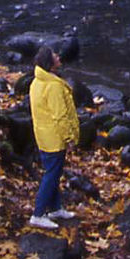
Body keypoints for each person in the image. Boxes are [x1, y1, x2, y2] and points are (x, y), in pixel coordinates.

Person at [28, 45, 80, 229]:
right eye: (54, 55)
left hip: (43, 135)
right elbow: (61, 116)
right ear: (49, 63)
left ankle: (55, 208)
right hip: (54, 138)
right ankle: (38, 213)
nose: (58, 56)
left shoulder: (37, 82)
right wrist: (70, 138)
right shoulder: (53, 87)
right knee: (51, 175)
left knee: (54, 173)